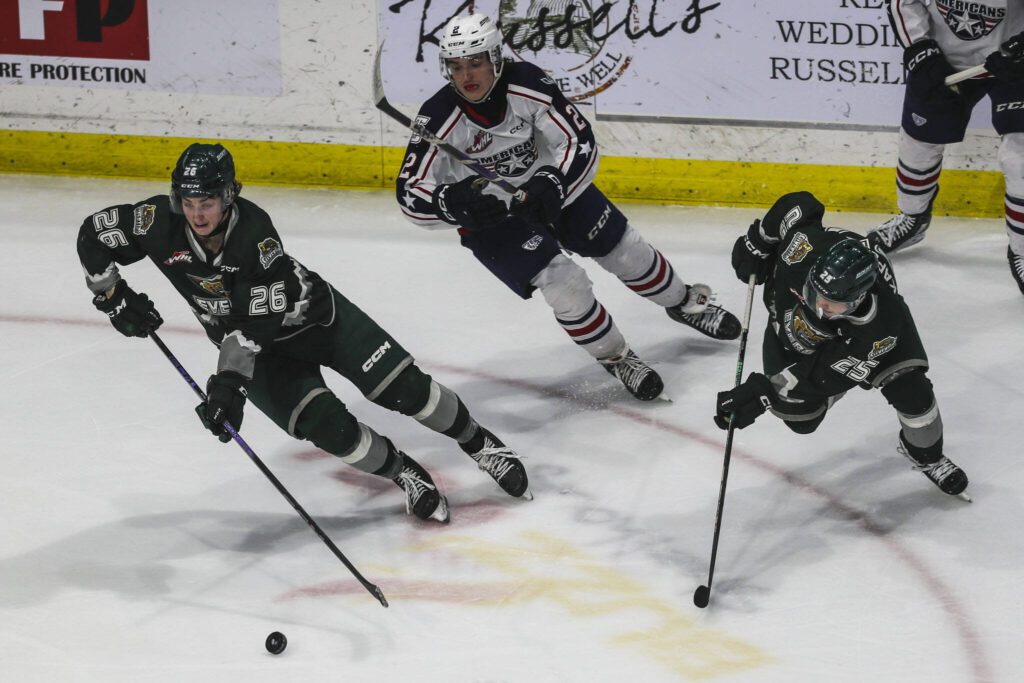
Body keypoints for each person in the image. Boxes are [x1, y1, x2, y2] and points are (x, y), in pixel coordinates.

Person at [77, 142, 531, 524]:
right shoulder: (154, 222)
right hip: (261, 355)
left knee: (408, 391)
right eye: (189, 202)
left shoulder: (255, 235)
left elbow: (254, 325)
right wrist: (112, 295)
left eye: (208, 203)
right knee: (329, 430)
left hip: (315, 321)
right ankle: (404, 472)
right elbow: (91, 236)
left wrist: (229, 383)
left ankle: (479, 442)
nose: (197, 214)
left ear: (229, 196)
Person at [395, 13, 741, 402]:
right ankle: (617, 357)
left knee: (628, 252)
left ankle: (682, 303)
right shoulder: (438, 116)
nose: (466, 75)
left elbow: (580, 143)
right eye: (457, 66)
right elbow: (409, 192)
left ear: (495, 58)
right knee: (566, 286)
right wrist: (450, 203)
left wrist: (553, 183)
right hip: (495, 221)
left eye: (475, 62)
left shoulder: (528, 84)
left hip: (551, 191)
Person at [718, 191, 969, 498]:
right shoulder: (804, 248)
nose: (819, 306)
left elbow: (822, 373)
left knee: (913, 394)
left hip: (862, 346)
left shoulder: (880, 324)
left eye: (832, 304)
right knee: (801, 418)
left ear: (858, 299)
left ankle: (926, 455)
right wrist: (758, 241)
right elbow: (800, 203)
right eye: (815, 292)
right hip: (789, 328)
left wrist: (764, 393)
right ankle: (820, 392)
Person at [868, 0, 1024, 295]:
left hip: (1014, 57)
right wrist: (920, 50)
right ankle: (912, 218)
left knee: (1022, 158)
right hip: (944, 56)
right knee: (918, 142)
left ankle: (1023, 250)